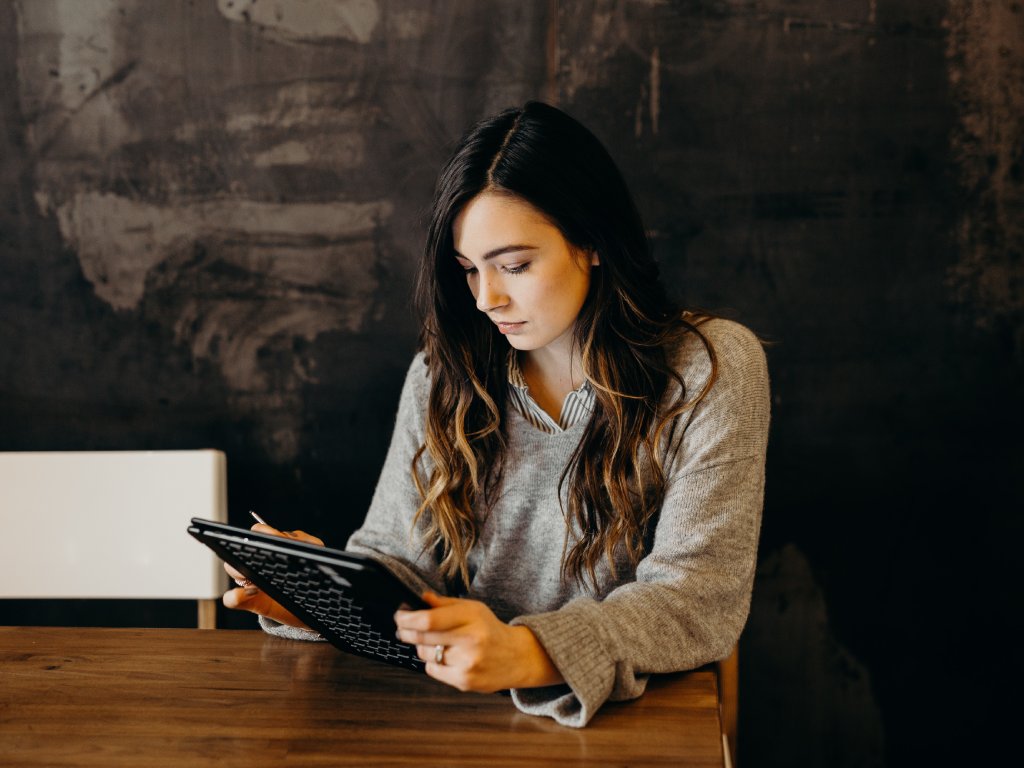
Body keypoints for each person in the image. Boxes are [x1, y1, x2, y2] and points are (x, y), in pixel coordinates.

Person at [223, 101, 770, 728]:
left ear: (592, 241)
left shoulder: (709, 368)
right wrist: (317, 596)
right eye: (468, 271)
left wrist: (527, 651)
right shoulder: (440, 375)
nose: (487, 299)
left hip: (638, 725)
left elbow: (698, 597)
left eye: (514, 266)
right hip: (461, 722)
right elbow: (402, 565)